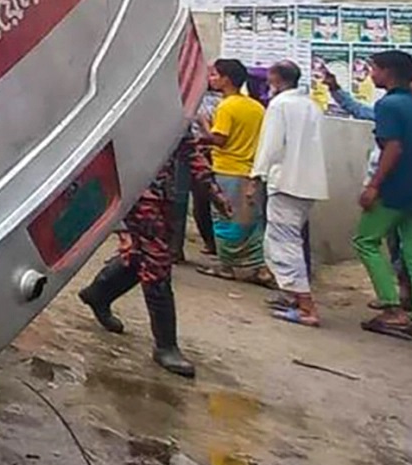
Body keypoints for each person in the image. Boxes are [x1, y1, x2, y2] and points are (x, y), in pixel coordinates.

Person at [76, 135, 197, 378]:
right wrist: (121, 227)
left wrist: (214, 192)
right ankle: (166, 345)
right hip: (135, 196)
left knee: (145, 257)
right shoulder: (128, 108)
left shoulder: (176, 109)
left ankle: (99, 293)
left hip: (164, 195)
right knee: (157, 264)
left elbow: (191, 152)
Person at [356, 50, 412, 342]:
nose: (371, 74)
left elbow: (393, 148)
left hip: (394, 188)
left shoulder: (388, 105)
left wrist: (374, 185)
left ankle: (391, 306)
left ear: (386, 72)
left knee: (365, 240)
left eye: (373, 68)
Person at [253, 61, 329, 328]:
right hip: (308, 182)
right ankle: (291, 297)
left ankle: (306, 306)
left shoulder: (279, 105)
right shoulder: (311, 105)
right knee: (286, 239)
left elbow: (271, 145)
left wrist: (256, 175)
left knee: (284, 243)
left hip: (284, 180)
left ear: (275, 78)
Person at [202, 58, 269, 284]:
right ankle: (257, 266)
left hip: (227, 169)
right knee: (251, 220)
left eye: (214, 75)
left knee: (224, 218)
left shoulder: (226, 107)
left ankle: (227, 266)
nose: (211, 79)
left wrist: (203, 126)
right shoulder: (256, 107)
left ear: (226, 79)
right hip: (250, 171)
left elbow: (219, 139)